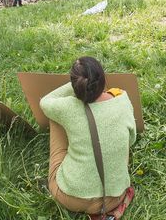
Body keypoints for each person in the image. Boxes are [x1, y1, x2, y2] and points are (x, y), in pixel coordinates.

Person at [40, 57, 136, 217]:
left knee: (53, 114)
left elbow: (45, 101)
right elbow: (131, 141)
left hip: (70, 197)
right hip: (114, 197)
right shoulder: (122, 100)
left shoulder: (66, 107)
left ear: (75, 83)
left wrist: (77, 82)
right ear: (103, 78)